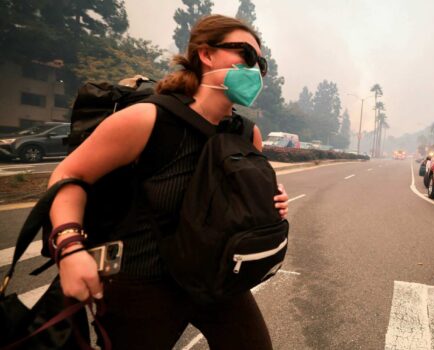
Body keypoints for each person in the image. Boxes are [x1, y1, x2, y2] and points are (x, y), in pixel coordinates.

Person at [48, 15, 288, 349]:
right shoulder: (148, 119)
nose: (254, 70)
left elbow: (237, 201)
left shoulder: (248, 134)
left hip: (216, 276)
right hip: (143, 284)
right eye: (246, 56)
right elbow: (69, 174)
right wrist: (70, 248)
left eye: (260, 63)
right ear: (205, 54)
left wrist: (269, 201)